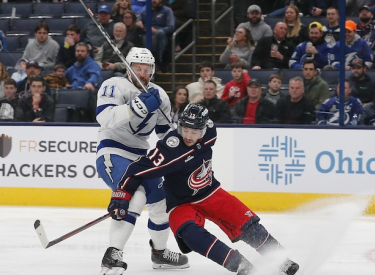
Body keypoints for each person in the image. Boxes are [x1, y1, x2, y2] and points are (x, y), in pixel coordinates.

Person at [108, 103, 300, 275]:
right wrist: (121, 194)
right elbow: (137, 170)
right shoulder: (170, 150)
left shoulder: (210, 132)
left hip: (212, 192)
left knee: (249, 226)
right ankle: (241, 266)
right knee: (191, 235)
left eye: (194, 131)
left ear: (204, 129)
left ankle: (281, 260)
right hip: (181, 204)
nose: (188, 136)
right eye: (185, 129)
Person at [95, 47, 189, 275]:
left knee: (161, 202)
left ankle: (159, 253)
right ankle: (112, 255)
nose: (142, 73)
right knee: (134, 196)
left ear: (152, 70)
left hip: (142, 158)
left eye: (146, 69)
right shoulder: (114, 85)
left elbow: (165, 134)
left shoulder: (160, 95)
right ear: (129, 69)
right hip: (113, 151)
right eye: (137, 68)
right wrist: (135, 107)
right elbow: (104, 117)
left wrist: (183, 143)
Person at [136, 0, 174, 68]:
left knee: (160, 33)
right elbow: (138, 21)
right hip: (146, 34)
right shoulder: (145, 10)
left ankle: (158, 61)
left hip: (161, 36)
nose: (154, 1)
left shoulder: (167, 10)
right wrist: (138, 23)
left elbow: (171, 27)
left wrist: (157, 30)